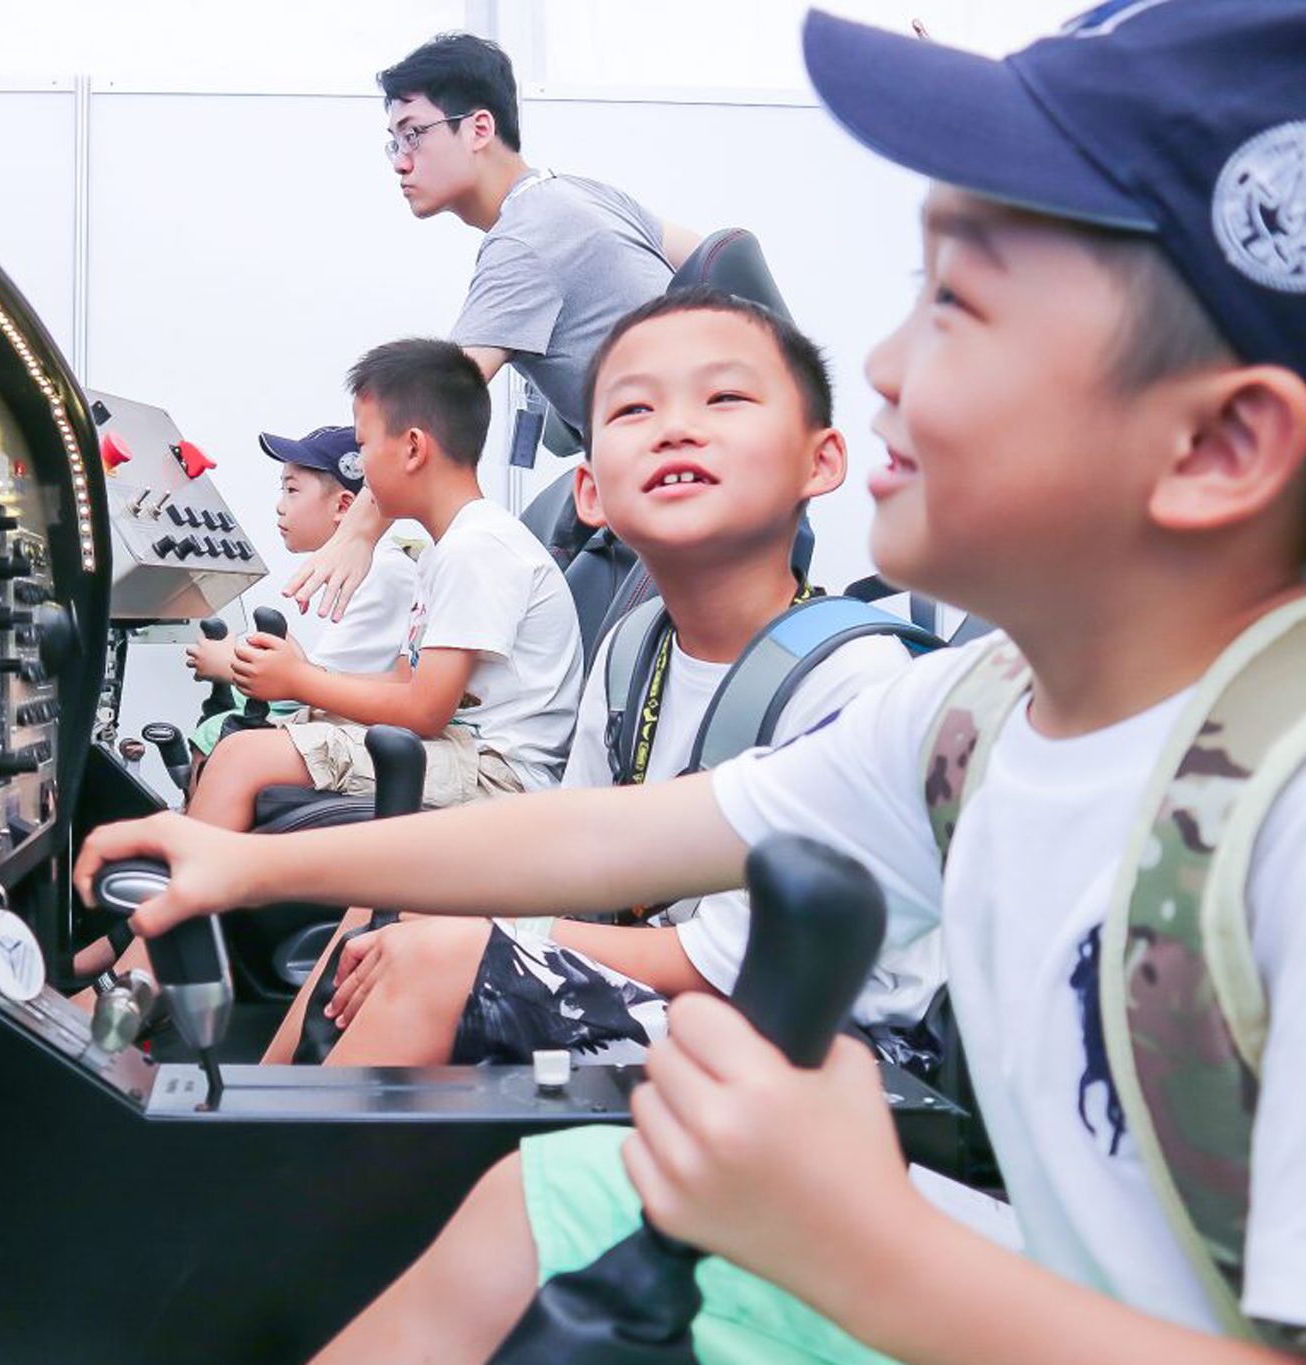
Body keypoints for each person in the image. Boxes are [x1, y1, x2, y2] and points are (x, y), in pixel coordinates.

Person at [78, 5, 1306, 1361]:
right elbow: (617, 829)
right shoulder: (977, 715)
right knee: (546, 1200)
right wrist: (243, 866)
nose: (886, 365)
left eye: (958, 306)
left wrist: (853, 1242)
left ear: (1219, 446)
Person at [261, 287, 926, 1067]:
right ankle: (246, 1109)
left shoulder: (853, 680)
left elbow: (727, 961)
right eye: (634, 409)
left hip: (826, 1040)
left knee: (436, 959)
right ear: (593, 492)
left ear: (821, 462)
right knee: (394, 906)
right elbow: (573, 861)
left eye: (725, 396)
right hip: (676, 978)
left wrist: (476, 935)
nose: (678, 425)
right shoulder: (633, 648)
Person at [289, 32, 701, 621]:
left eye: (414, 134)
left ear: (479, 129)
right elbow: (719, 259)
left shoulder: (526, 239)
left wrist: (357, 533)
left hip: (680, 503)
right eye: (393, 143)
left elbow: (434, 405)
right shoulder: (580, 195)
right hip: (701, 484)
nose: (401, 160)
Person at [190, 338, 581, 834]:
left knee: (241, 757)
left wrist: (300, 682)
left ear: (413, 447)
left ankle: (178, 906)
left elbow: (424, 710)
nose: (363, 467)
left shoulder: (476, 549)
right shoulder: (448, 550)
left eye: (364, 446)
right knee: (265, 734)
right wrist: (303, 674)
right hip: (460, 753)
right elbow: (403, 681)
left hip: (497, 776)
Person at [184, 425, 419, 759]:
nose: (280, 507)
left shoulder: (382, 570)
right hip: (348, 705)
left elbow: (311, 687)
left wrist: (230, 664)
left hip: (366, 723)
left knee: (216, 732)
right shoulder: (376, 565)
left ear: (343, 506)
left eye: (292, 491)